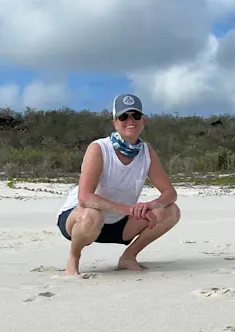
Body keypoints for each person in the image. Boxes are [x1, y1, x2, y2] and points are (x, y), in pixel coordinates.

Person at [55, 93, 181, 275]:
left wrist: (150, 205)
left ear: (143, 121)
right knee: (92, 215)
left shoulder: (146, 151)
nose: (130, 120)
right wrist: (128, 210)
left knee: (170, 211)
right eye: (124, 116)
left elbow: (170, 193)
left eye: (135, 116)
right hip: (80, 218)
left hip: (118, 223)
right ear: (115, 122)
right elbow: (85, 198)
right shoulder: (99, 148)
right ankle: (73, 259)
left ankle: (128, 257)